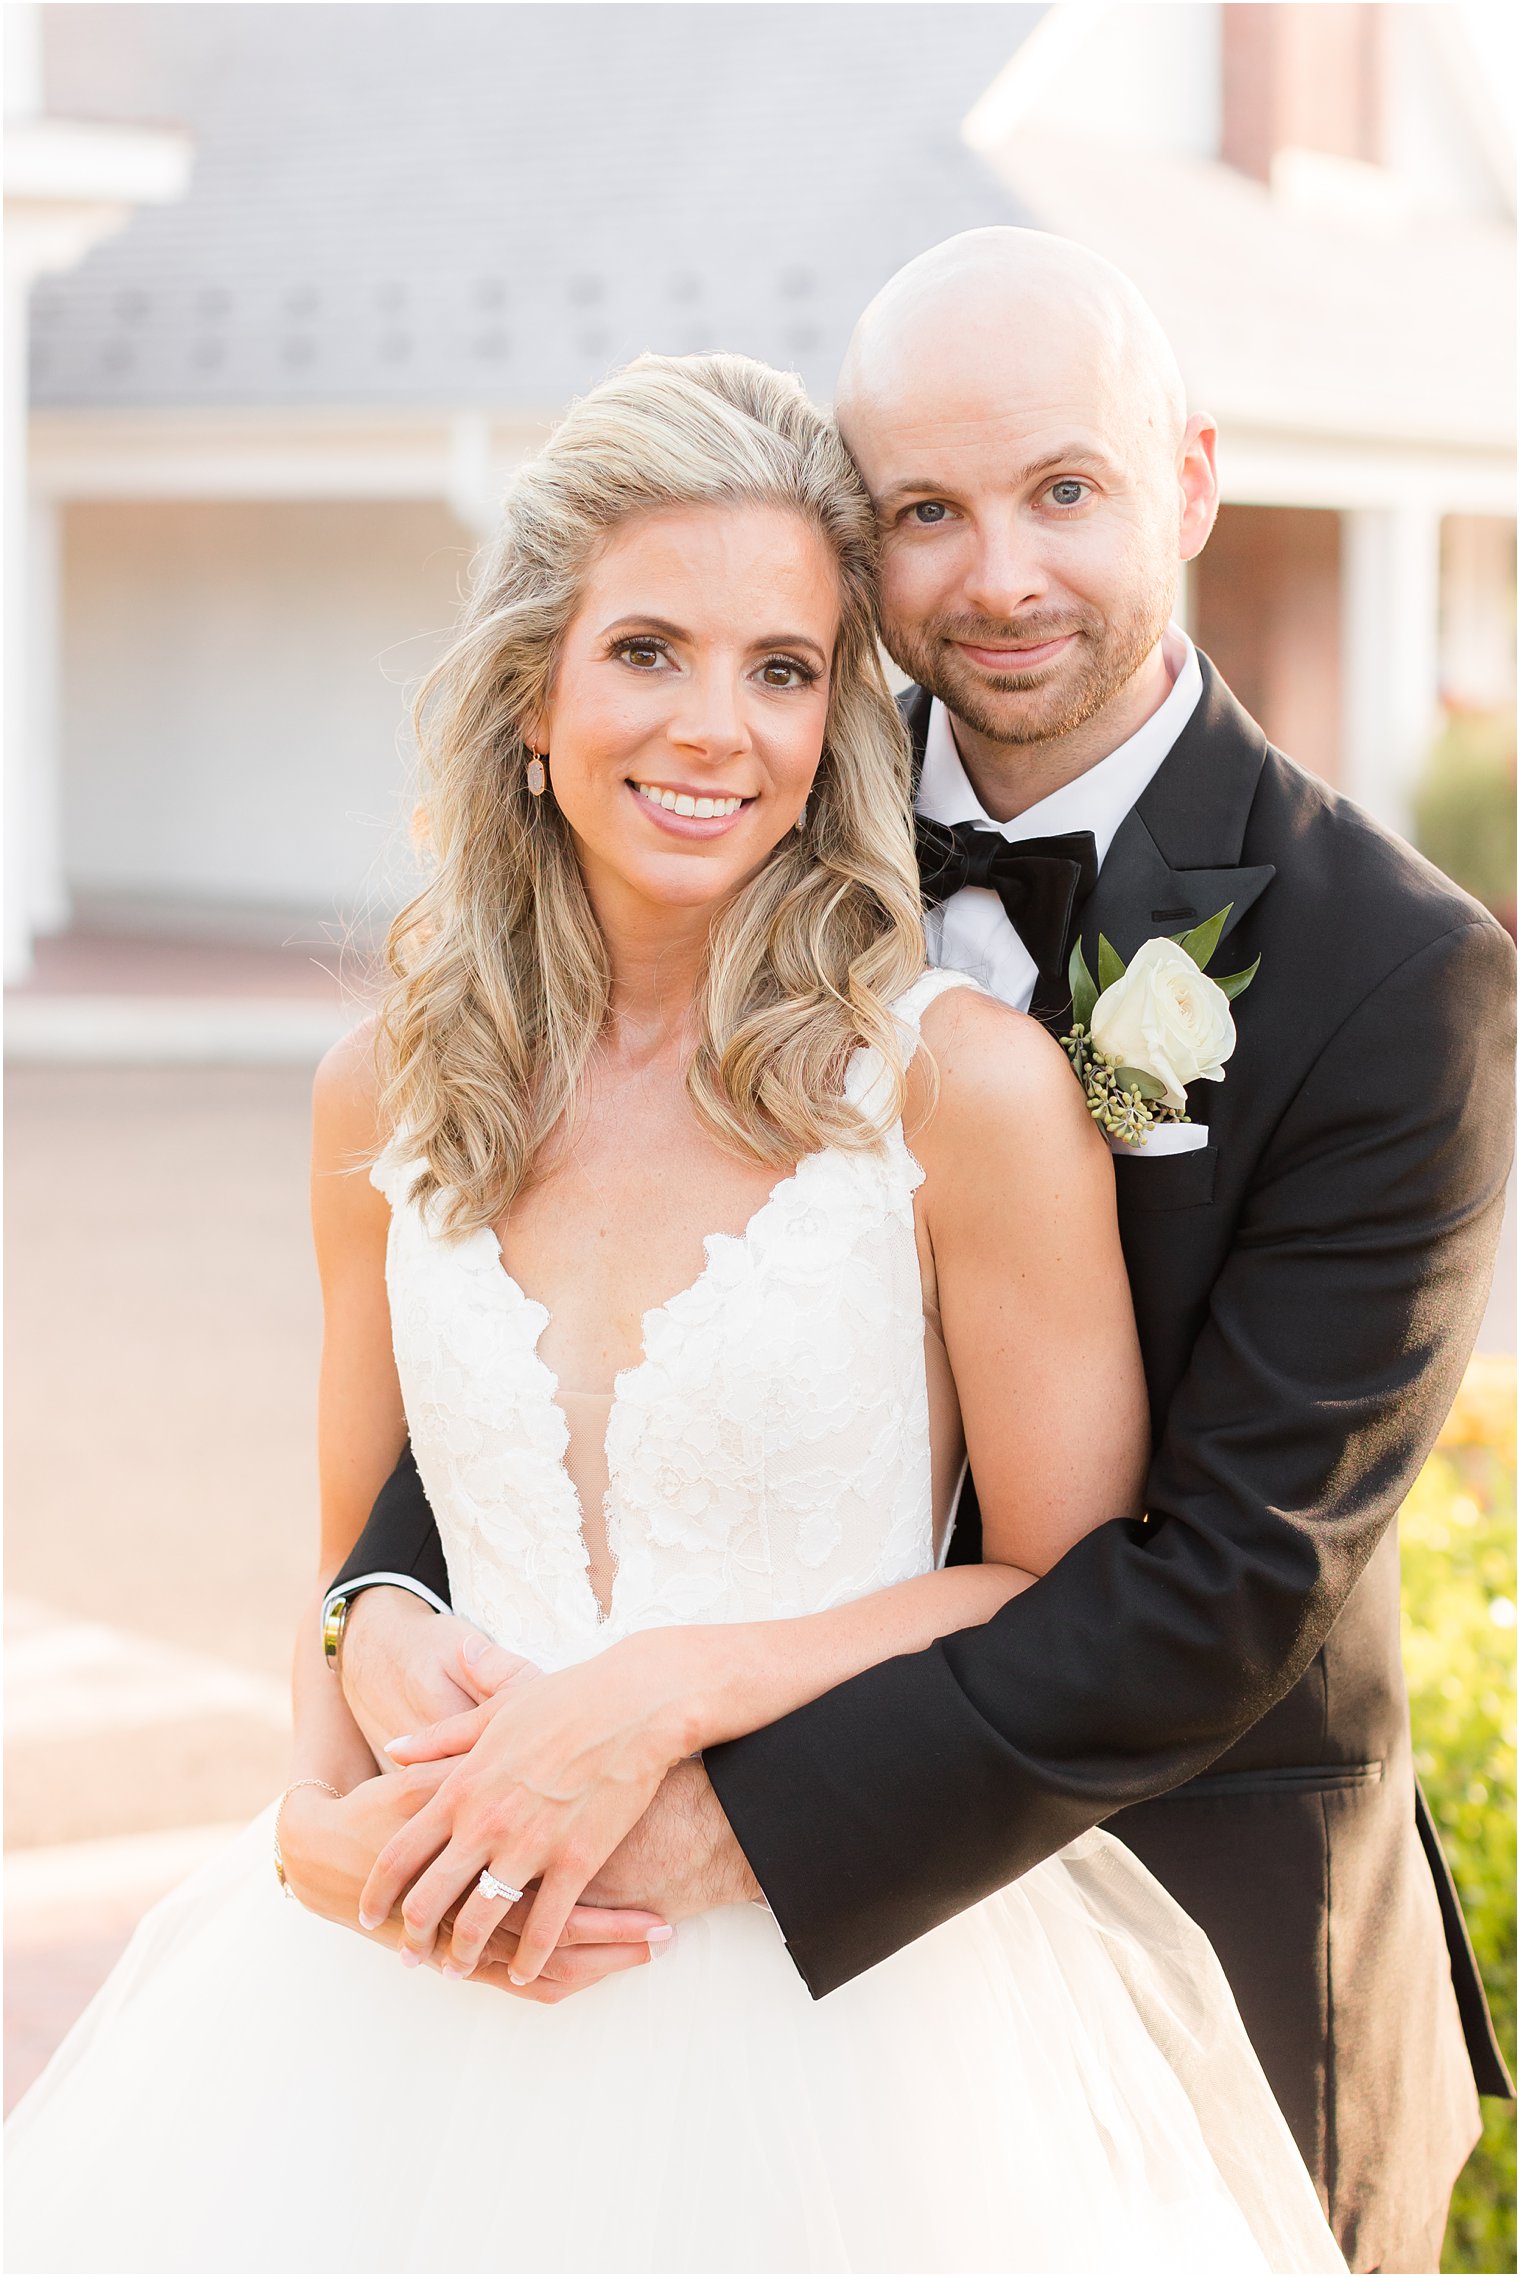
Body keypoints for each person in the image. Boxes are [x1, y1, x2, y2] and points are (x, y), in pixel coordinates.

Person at [4, 351, 1343, 2273]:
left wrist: (679, 1680)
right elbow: (354, 1551)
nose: (718, 728)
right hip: (405, 2002)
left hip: (849, 2029)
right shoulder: (385, 1091)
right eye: (649, 649)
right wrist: (310, 1826)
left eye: (786, 668)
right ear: (533, 693)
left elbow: (1063, 1579)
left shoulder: (961, 1092)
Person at [325, 233, 1515, 2273]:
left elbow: (1226, 1582)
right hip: (628, 1952)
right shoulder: (754, 795)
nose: (999, 575)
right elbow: (582, 1322)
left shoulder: (1393, 970)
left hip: (1199, 1945)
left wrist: (711, 1801)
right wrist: (372, 1593)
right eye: (926, 515)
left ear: (1193, 477)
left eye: (1065, 489)